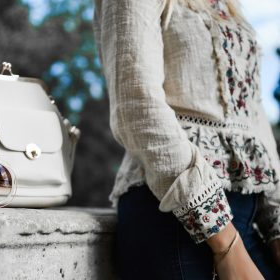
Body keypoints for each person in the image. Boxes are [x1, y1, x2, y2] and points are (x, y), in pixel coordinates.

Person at [92, 0, 280, 279]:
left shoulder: (227, 4)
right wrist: (226, 243)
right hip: (175, 218)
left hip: (245, 221)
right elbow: (137, 104)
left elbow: (253, 117)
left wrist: (276, 225)